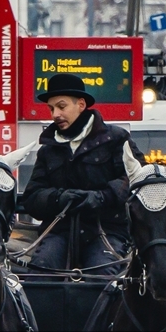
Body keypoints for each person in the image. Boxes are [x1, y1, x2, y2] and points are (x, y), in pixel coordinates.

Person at [21, 72, 146, 273]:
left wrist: (102, 197)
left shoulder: (116, 139)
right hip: (59, 231)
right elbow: (32, 198)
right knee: (42, 271)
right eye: (51, 108)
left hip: (107, 230)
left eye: (61, 107)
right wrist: (58, 198)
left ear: (81, 104)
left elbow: (137, 179)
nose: (55, 115)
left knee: (102, 271)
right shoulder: (48, 150)